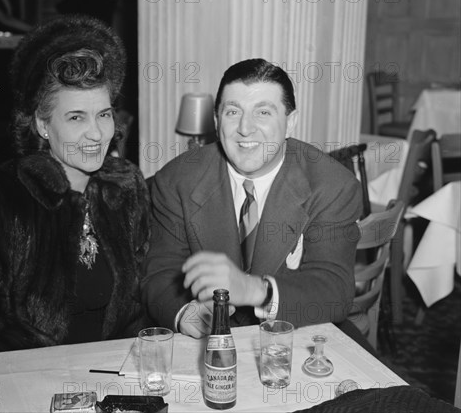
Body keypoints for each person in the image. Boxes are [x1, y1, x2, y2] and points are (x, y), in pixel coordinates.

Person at [0, 15, 151, 374]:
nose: (96, 134)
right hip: (27, 384)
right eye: (76, 118)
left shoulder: (124, 188)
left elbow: (138, 308)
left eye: (103, 114)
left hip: (114, 381)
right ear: (42, 124)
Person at [142, 58, 364, 341]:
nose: (245, 128)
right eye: (232, 111)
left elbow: (335, 290)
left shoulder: (333, 185)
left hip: (298, 338)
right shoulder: (176, 181)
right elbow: (159, 274)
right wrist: (186, 313)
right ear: (215, 119)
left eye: (263, 112)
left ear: (290, 122)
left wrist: (254, 290)